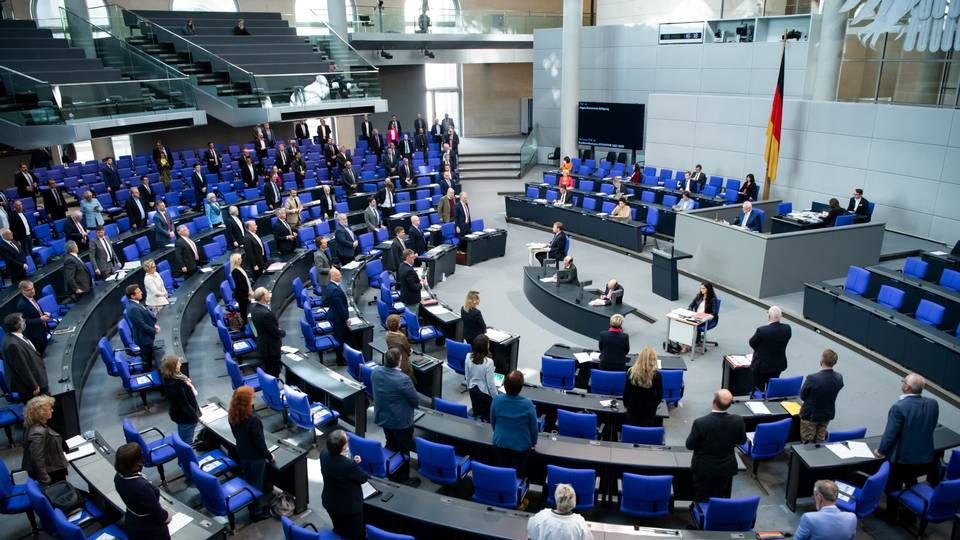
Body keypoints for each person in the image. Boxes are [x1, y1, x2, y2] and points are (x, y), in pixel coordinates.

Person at [877, 373, 940, 504]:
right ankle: (909, 515)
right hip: (925, 458)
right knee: (911, 480)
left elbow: (890, 435)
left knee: (893, 485)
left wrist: (881, 451)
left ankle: (891, 515)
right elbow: (931, 426)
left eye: (904, 381)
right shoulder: (933, 404)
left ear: (907, 388)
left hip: (902, 460)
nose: (902, 383)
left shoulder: (899, 407)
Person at [685, 389, 746, 501]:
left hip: (703, 469)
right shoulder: (738, 420)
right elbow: (742, 441)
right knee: (722, 496)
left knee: (702, 497)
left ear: (713, 401)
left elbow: (689, 445)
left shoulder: (701, 423)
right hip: (726, 468)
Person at [372, 348, 419, 483]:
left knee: (391, 443)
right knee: (403, 449)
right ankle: (402, 478)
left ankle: (390, 469)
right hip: (401, 422)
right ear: (399, 361)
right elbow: (415, 400)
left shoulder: (375, 372)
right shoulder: (403, 379)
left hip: (383, 417)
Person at [228, 386, 272, 520]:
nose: (254, 399)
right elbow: (259, 444)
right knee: (256, 485)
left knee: (248, 480)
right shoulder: (253, 420)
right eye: (252, 397)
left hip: (242, 452)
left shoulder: (232, 415)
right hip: (255, 457)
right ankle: (256, 512)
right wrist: (269, 455)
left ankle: (250, 504)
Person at [114, 442, 172, 539]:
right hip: (150, 530)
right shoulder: (142, 487)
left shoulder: (118, 477)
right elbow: (157, 512)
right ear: (137, 461)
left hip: (133, 521)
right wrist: (166, 516)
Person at [320, 429, 368, 539]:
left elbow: (338, 467)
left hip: (330, 501)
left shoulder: (323, 454)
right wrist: (355, 465)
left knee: (339, 528)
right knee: (356, 534)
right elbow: (363, 478)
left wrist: (352, 463)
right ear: (343, 447)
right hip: (348, 507)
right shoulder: (348, 465)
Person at [490, 370, 538, 478]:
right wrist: (534, 442)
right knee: (518, 475)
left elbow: (493, 422)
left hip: (500, 443)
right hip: (521, 448)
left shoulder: (496, 400)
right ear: (521, 387)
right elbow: (534, 428)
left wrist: (498, 433)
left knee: (502, 472)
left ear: (505, 385)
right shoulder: (528, 404)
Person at [798, 349, 844, 444]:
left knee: (807, 443)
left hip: (810, 416)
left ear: (822, 360)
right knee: (820, 441)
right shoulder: (839, 378)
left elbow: (802, 396)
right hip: (826, 414)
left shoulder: (812, 378)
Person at [22, 395, 67, 485]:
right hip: (51, 473)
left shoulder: (37, 425)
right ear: (41, 412)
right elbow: (37, 459)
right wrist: (45, 480)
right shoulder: (38, 432)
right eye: (50, 409)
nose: (52, 410)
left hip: (52, 468)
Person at [2, 313, 47, 398]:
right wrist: (34, 385)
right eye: (22, 321)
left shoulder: (14, 336)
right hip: (30, 388)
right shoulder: (12, 345)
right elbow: (22, 368)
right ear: (18, 325)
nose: (24, 322)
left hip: (35, 374)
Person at [527, 483, 593, 540]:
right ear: (574, 502)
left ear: (556, 498)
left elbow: (531, 536)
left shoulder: (541, 516)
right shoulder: (580, 523)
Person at [749, 306, 792, 393]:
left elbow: (752, 343)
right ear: (780, 317)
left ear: (769, 316)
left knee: (758, 390)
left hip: (761, 366)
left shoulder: (762, 330)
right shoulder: (787, 329)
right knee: (772, 389)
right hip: (778, 365)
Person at [161, 355, 199, 445]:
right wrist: (195, 418)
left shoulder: (169, 379)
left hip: (181, 416)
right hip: (186, 419)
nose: (181, 364)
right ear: (173, 367)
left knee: (184, 439)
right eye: (178, 363)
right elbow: (184, 405)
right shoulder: (177, 385)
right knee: (187, 444)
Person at [623, 347, 663, 427]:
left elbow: (626, 394)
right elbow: (659, 396)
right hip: (649, 412)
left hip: (632, 410)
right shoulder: (657, 376)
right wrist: (653, 406)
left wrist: (627, 406)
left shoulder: (631, 373)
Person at [250, 287, 285, 377]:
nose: (269, 295)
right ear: (263, 297)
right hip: (271, 348)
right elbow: (275, 332)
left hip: (262, 343)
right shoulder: (266, 314)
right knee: (274, 372)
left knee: (268, 370)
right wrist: (282, 332)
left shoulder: (254, 309)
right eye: (267, 293)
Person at [126, 285, 159, 371]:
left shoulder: (135, 303)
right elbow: (141, 325)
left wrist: (153, 325)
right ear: (132, 296)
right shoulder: (133, 308)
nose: (141, 293)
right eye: (139, 292)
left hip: (146, 337)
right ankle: (149, 375)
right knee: (147, 362)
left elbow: (144, 317)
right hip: (144, 339)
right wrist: (154, 330)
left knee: (149, 358)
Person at [465, 334, 498, 421]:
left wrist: (469, 387)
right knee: (487, 416)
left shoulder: (468, 356)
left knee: (477, 411)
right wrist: (496, 398)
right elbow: (490, 385)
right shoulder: (489, 362)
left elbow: (467, 376)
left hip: (472, 389)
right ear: (485, 347)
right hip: (484, 394)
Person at [325, 268, 350, 366]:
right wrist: (346, 318)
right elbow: (340, 307)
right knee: (339, 339)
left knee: (344, 337)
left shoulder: (330, 286)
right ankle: (340, 360)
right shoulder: (334, 290)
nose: (341, 276)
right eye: (339, 275)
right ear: (334, 277)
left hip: (334, 316)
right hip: (338, 319)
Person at [17, 280, 49, 354]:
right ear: (22, 291)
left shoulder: (31, 298)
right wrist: (40, 319)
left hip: (42, 330)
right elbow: (25, 322)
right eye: (28, 290)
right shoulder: (22, 304)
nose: (32, 291)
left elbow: (36, 312)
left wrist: (44, 314)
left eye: (32, 288)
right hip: (35, 336)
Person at [687, 281, 717, 349]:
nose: (701, 290)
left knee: (689, 324)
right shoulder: (699, 295)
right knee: (684, 322)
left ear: (708, 289)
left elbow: (714, 313)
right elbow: (691, 305)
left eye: (703, 288)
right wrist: (690, 311)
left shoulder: (713, 299)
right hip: (696, 316)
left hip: (705, 319)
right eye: (701, 288)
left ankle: (686, 345)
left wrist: (705, 316)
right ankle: (686, 342)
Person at [384, 314, 415, 383]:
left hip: (393, 356)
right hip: (402, 361)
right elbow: (409, 350)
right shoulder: (401, 337)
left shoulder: (387, 334)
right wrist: (411, 351)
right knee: (408, 378)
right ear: (398, 325)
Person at [397, 249, 423, 314]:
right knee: (412, 317)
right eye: (412, 257)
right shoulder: (409, 271)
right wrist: (422, 283)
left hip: (405, 296)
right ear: (408, 257)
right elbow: (414, 287)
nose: (414, 259)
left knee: (408, 315)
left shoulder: (401, 265)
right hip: (411, 299)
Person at [231, 252, 252, 322]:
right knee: (244, 312)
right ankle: (246, 325)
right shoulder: (235, 271)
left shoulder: (239, 268)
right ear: (235, 261)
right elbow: (241, 285)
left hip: (245, 293)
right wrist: (248, 293)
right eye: (239, 259)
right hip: (242, 295)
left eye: (240, 258)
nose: (241, 260)